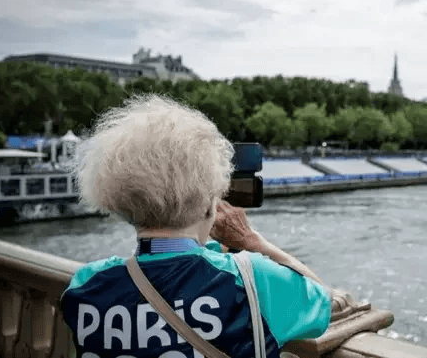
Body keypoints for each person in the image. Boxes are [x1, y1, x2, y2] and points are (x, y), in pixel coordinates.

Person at [60, 94, 332, 358]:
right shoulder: (252, 278)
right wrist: (251, 240)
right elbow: (323, 304)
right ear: (209, 203)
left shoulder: (86, 284)